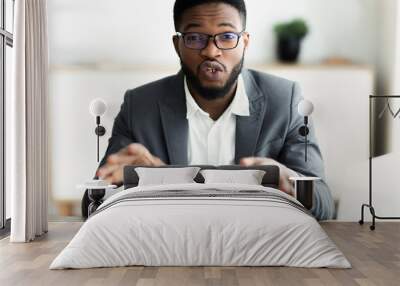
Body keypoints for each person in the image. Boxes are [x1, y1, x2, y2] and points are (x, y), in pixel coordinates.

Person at [81, 0, 335, 220]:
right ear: (177, 44)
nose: (211, 51)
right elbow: (89, 205)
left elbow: (324, 203)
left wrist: (287, 179)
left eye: (226, 36)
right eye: (195, 38)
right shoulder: (140, 106)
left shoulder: (285, 100)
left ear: (245, 42)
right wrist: (122, 182)